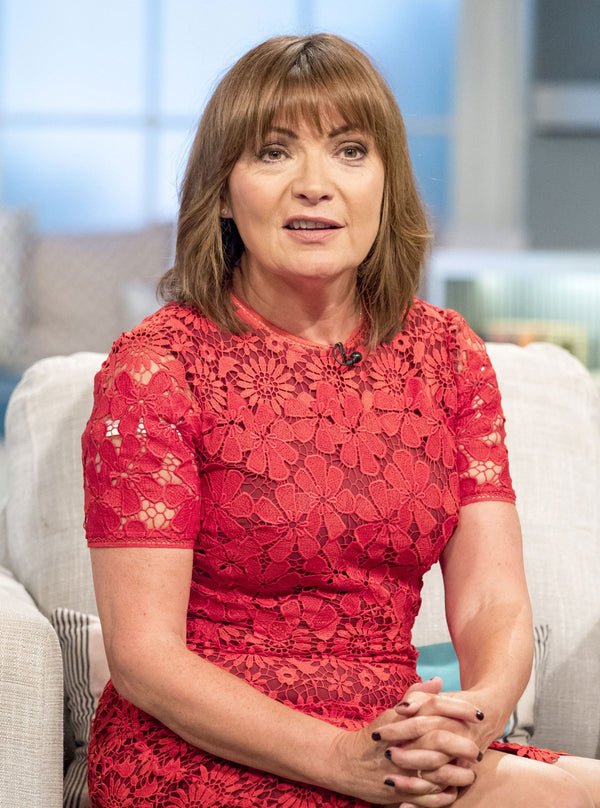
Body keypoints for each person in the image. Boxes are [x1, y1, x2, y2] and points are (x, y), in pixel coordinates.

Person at [82, 33, 600, 808]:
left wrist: (473, 718)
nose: (315, 186)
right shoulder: (158, 367)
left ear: (386, 183)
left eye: (351, 151)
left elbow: (491, 601)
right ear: (221, 192)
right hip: (207, 745)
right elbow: (143, 658)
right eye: (274, 153)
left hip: (389, 736)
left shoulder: (448, 355)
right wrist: (338, 759)